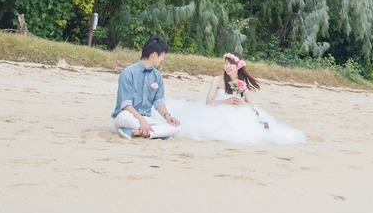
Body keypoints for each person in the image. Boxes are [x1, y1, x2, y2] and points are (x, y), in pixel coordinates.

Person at [163, 52, 306, 145]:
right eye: (225, 63)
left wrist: (242, 102)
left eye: (230, 64)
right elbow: (209, 101)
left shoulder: (242, 83)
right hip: (216, 109)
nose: (227, 67)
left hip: (239, 111)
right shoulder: (217, 80)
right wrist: (226, 102)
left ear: (238, 66)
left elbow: (251, 105)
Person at [112, 36, 182, 139]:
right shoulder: (128, 73)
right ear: (154, 55)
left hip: (146, 119)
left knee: (176, 127)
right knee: (123, 117)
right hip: (128, 116)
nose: (163, 58)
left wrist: (167, 116)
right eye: (162, 55)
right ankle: (156, 133)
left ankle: (140, 132)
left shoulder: (157, 76)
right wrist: (142, 121)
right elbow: (125, 105)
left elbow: (159, 102)